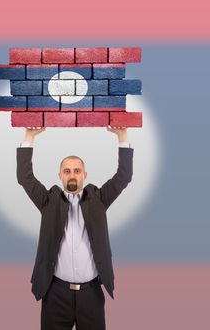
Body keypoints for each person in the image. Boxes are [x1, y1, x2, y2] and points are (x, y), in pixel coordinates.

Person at [17, 125, 134, 330]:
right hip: (55, 293)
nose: (72, 175)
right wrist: (29, 135)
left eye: (77, 171)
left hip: (92, 294)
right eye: (67, 171)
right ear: (60, 175)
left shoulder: (98, 199)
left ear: (84, 175)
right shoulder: (48, 201)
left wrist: (122, 136)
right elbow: (25, 178)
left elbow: (122, 178)